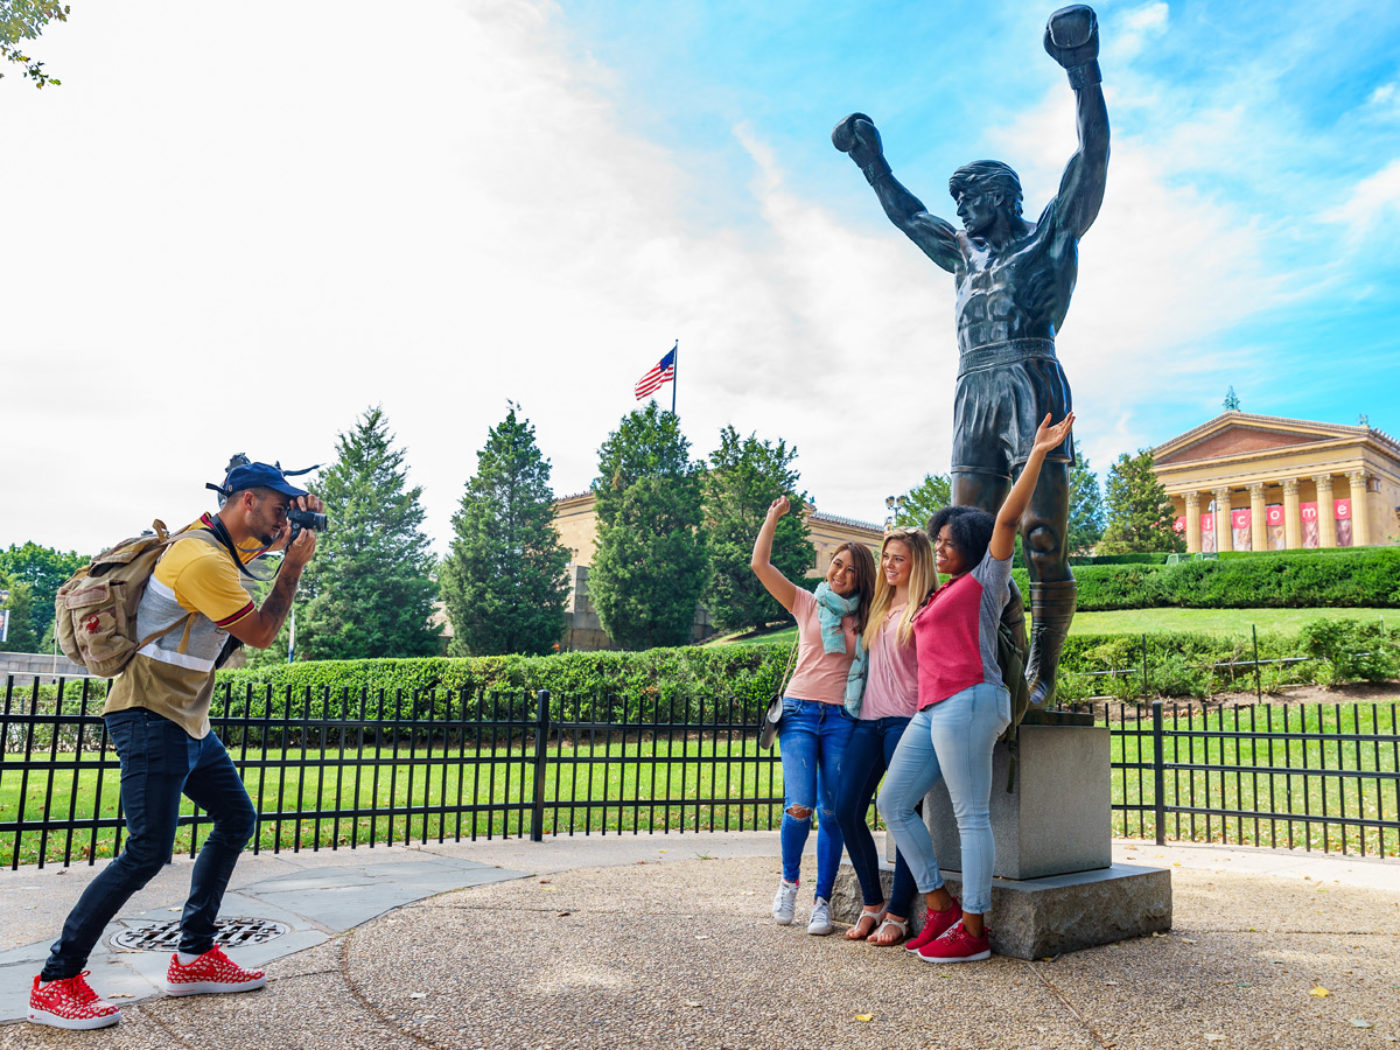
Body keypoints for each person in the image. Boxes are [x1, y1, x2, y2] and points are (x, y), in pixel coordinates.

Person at [833, 4, 1109, 709]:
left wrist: (1083, 74)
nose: (959, 208)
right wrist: (872, 160)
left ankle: (1042, 674)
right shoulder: (960, 256)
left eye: (971, 196)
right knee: (962, 542)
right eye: (956, 198)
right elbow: (905, 212)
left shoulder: (1046, 237)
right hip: (972, 391)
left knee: (1043, 538)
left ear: (1002, 195)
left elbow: (1092, 162)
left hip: (1029, 377)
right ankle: (991, 663)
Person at [28, 462, 323, 1030]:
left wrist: (282, 538)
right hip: (148, 715)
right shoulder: (202, 559)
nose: (285, 518)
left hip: (185, 718)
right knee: (146, 851)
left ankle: (192, 956)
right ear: (247, 503)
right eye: (278, 508)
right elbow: (260, 634)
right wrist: (291, 566)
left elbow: (241, 565)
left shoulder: (216, 546)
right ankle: (56, 980)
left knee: (236, 818)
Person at [877, 412, 1075, 964]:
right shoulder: (935, 596)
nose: (938, 549)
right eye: (935, 542)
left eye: (946, 542)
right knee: (892, 801)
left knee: (970, 815)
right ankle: (938, 903)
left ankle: (974, 927)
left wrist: (1036, 454)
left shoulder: (986, 580)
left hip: (972, 698)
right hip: (932, 707)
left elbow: (1007, 521)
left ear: (969, 543)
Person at [751, 495, 874, 936]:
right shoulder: (807, 602)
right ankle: (788, 884)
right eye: (836, 564)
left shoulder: (867, 615)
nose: (839, 573)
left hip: (842, 717)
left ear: (861, 578)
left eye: (849, 570)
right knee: (800, 806)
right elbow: (761, 565)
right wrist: (772, 518)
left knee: (834, 811)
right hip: (800, 713)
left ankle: (822, 901)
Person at [834, 527, 936, 948]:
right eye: (886, 557)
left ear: (917, 563)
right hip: (867, 720)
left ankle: (898, 913)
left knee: (903, 814)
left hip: (905, 722)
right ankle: (872, 903)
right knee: (845, 809)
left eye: (899, 558)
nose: (889, 565)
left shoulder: (927, 606)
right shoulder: (877, 603)